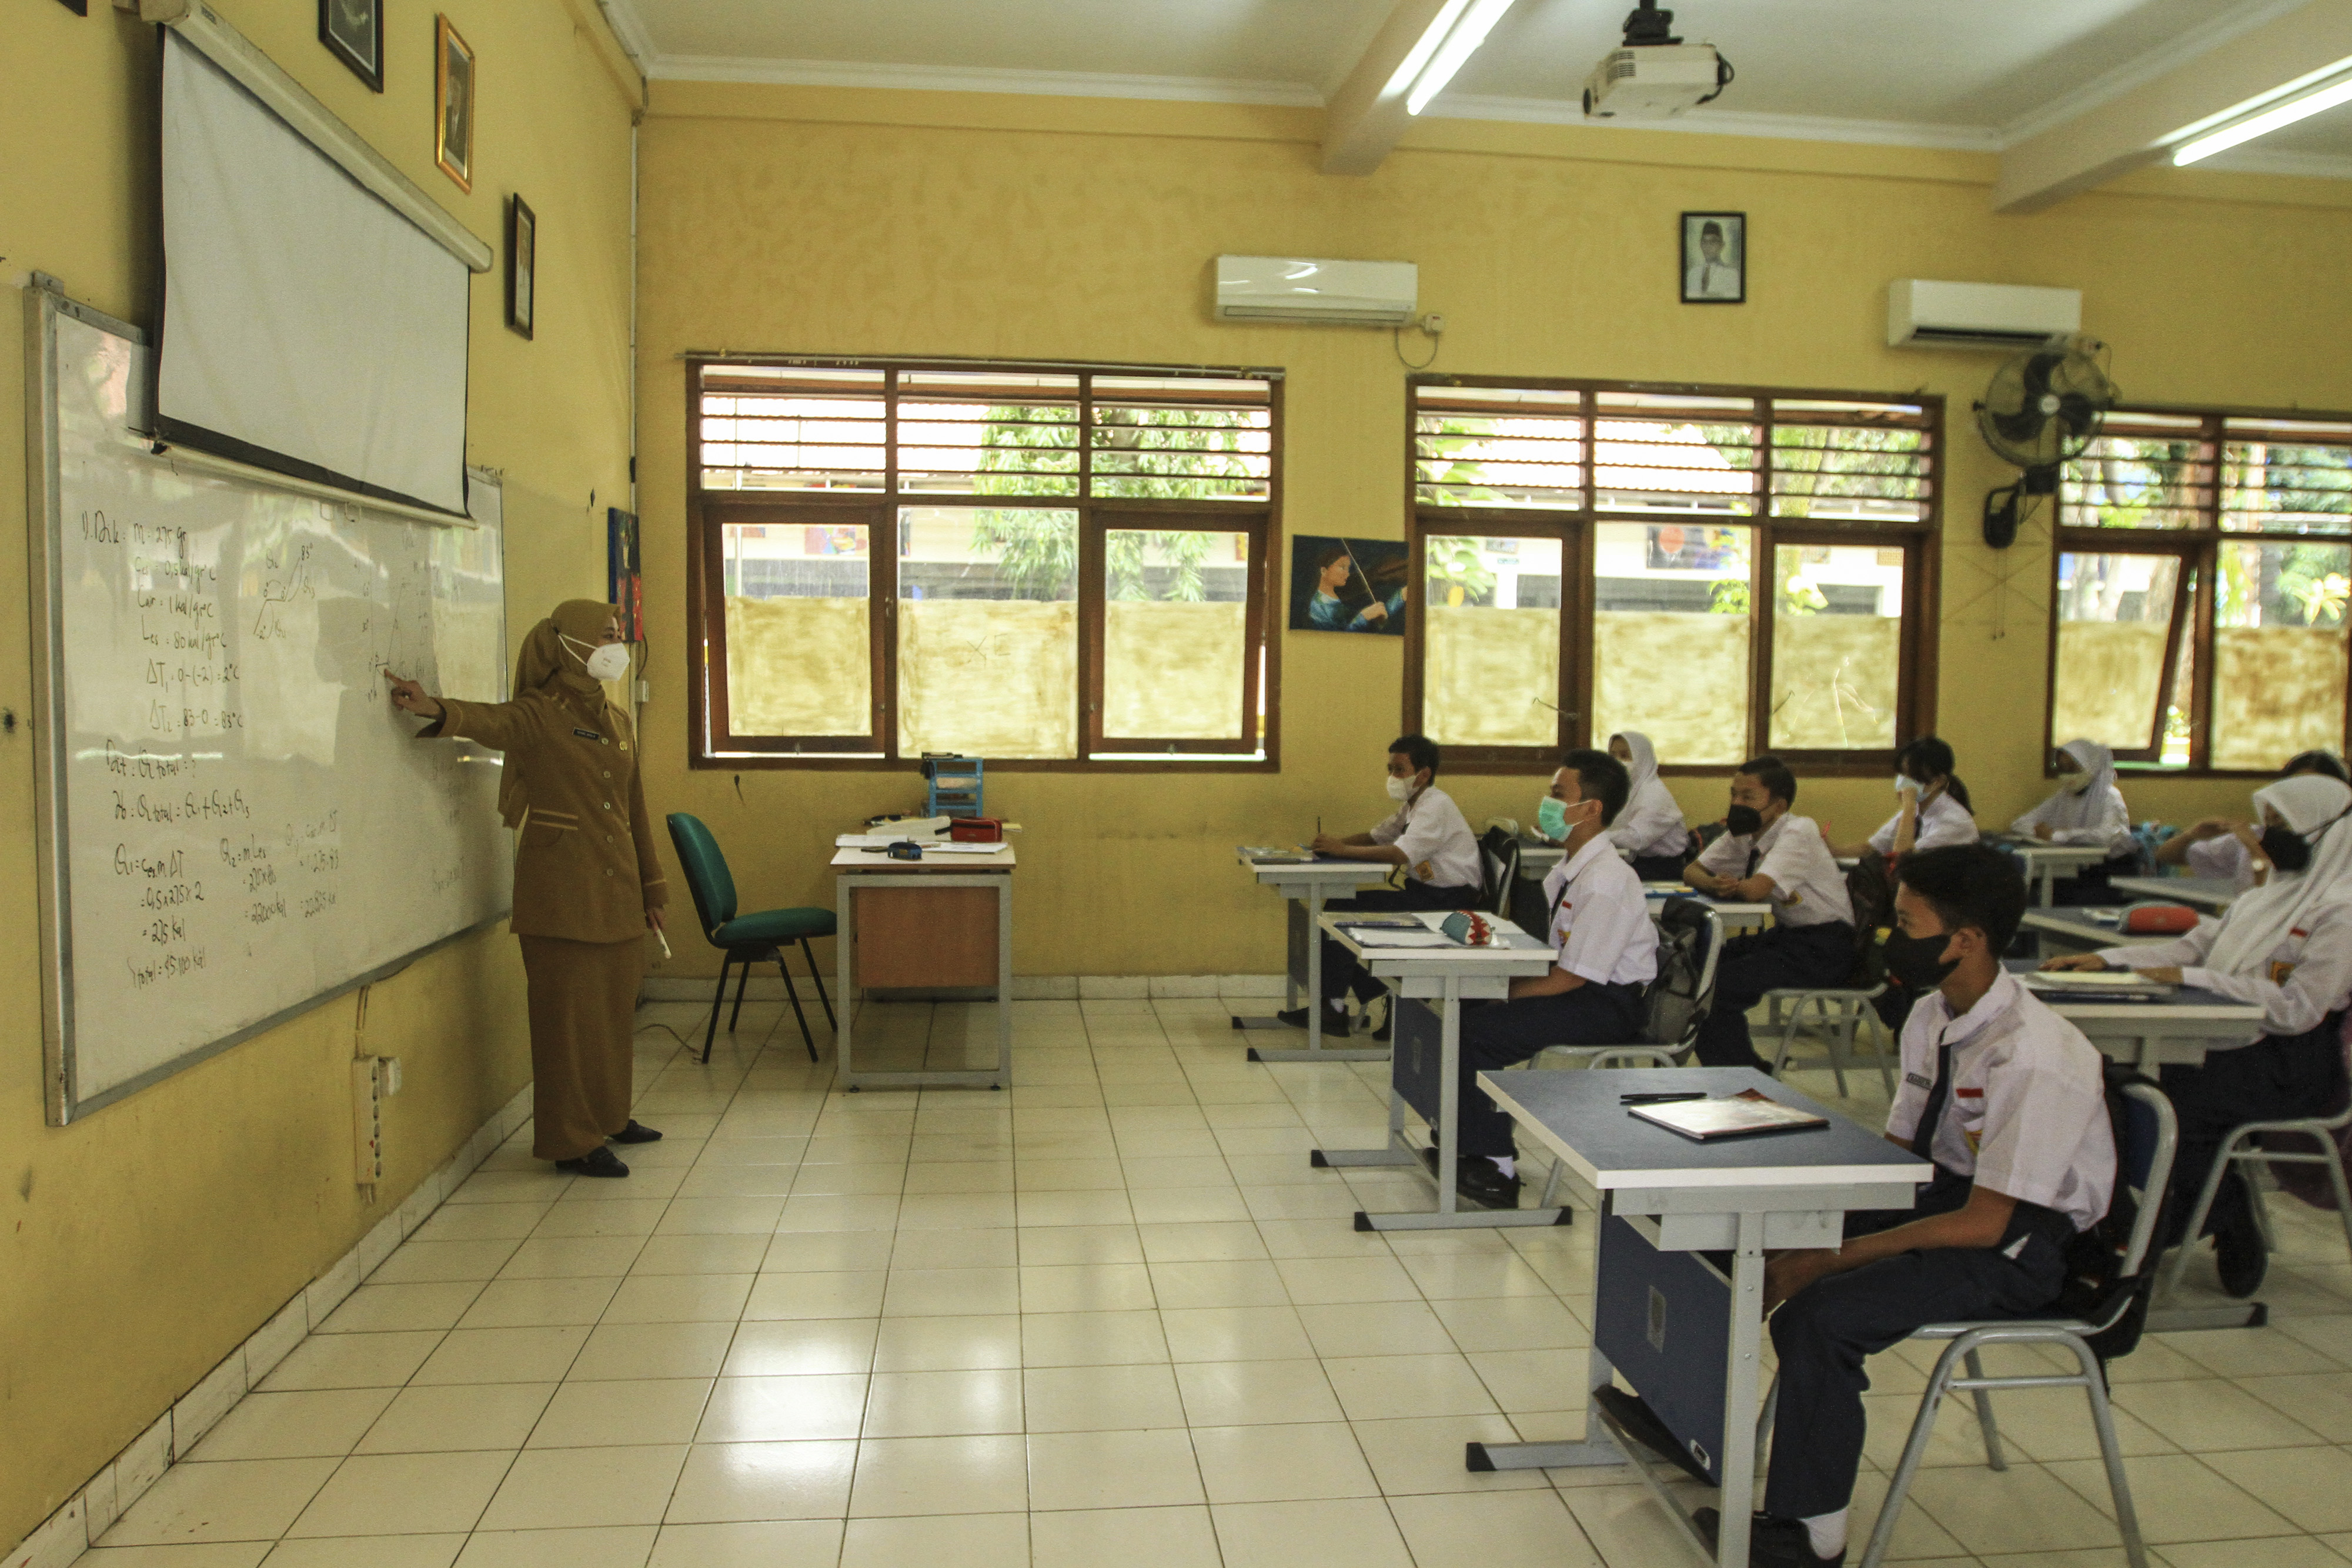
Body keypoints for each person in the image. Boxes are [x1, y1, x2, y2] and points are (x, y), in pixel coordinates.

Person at [1705, 845, 2114, 1568]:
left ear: (1966, 940)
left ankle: (1812, 1536)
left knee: (1821, 1314)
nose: (1890, 937)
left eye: (1906, 922)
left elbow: (1987, 1223)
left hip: (2019, 1243)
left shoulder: (2035, 1055)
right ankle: (1691, 1426)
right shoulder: (1931, 1013)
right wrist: (1796, 1200)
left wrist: (1826, 1257)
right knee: (1724, 1238)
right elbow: (1897, 1155)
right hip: (1941, 1194)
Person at [386, 600, 667, 1178]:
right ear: (571, 645)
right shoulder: (542, 712)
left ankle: (610, 1115)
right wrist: (434, 706)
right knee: (566, 1026)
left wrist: (653, 888)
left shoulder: (618, 721)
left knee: (611, 1017)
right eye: (606, 636)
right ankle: (571, 1139)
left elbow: (634, 809)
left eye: (619, 635)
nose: (617, 646)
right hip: (561, 896)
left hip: (617, 894)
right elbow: (491, 721)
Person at [2044, 771, 2352, 1297]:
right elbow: (2194, 945)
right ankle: (2198, 1213)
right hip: (2232, 1043)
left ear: (2323, 832)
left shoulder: (2341, 912)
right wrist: (2110, 960)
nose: (2266, 834)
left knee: (2168, 1100)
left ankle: (2184, 1223)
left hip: (2292, 1065)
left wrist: (2196, 979)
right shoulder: (2267, 896)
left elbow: (2299, 1009)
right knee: (2119, 1087)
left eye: (2281, 824)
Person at [1446, 750, 1659, 1209]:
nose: (1547, 803)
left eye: (1558, 795)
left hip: (1608, 1004)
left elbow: (1571, 978)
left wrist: (1505, 993)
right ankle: (1462, 1139)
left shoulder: (1606, 880)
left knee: (1477, 1031)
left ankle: (1497, 1166)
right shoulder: (1571, 867)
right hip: (1580, 988)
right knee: (1458, 1006)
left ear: (1591, 808)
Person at [1281, 734, 1482, 1038]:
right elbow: (1378, 836)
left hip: (1446, 905)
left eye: (1400, 770)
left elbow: (1399, 854)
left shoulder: (1435, 807)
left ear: (1423, 774)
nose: (1393, 777)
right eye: (1390, 769)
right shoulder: (1413, 806)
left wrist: (1342, 850)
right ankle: (1367, 995)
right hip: (1424, 895)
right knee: (1342, 906)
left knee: (1342, 909)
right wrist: (1331, 846)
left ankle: (1336, 1007)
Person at [1685, 757, 1856, 1071]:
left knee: (1718, 986)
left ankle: (1745, 1076)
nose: (1737, 804)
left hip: (1825, 946)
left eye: (1748, 797)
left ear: (1778, 806)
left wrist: (1730, 886)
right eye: (1734, 794)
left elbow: (1755, 891)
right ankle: (1736, 1068)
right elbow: (1692, 871)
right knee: (1701, 962)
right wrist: (1714, 883)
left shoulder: (1799, 831)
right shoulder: (1745, 832)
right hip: (1788, 937)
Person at [2159, 749, 2348, 892]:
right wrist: (2192, 835)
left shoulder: (2340, 848)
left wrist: (2253, 848)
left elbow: (2269, 896)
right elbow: (2165, 855)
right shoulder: (2256, 835)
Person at [2009, 738, 2134, 904]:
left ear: (2090, 765)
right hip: (2073, 866)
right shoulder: (2063, 796)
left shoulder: (2110, 796)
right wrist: (2039, 832)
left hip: (2107, 870)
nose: (2067, 775)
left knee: (2057, 895)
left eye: (2073, 768)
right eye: (2063, 769)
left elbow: (2107, 835)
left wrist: (2056, 836)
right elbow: (2019, 824)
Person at [1825, 737, 1977, 862]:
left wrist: (1909, 807)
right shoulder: (1918, 809)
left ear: (1938, 781)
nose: (1904, 781)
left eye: (1912, 776)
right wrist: (1833, 850)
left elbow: (1903, 860)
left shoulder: (1954, 822)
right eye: (1902, 774)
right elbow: (1872, 849)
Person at [1598, 730, 1694, 881]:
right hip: (1632, 863)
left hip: (1662, 870)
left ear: (1642, 758)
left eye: (1625, 756)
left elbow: (1636, 839)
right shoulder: (1624, 791)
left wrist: (1590, 836)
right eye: (1612, 756)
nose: (1617, 762)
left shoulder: (1654, 794)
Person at [1305, 544, 1400, 633]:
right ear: (1324, 571)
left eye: (1348, 568)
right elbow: (1337, 638)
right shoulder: (1318, 608)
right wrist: (1363, 617)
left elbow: (1372, 620)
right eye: (1343, 567)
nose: (1348, 574)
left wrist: (1400, 598)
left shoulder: (1333, 600)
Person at [1685, 219, 1739, 299]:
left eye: (1713, 242)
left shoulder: (1732, 274)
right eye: (1704, 242)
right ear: (1701, 245)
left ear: (1722, 245)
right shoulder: (1692, 274)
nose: (1708, 246)